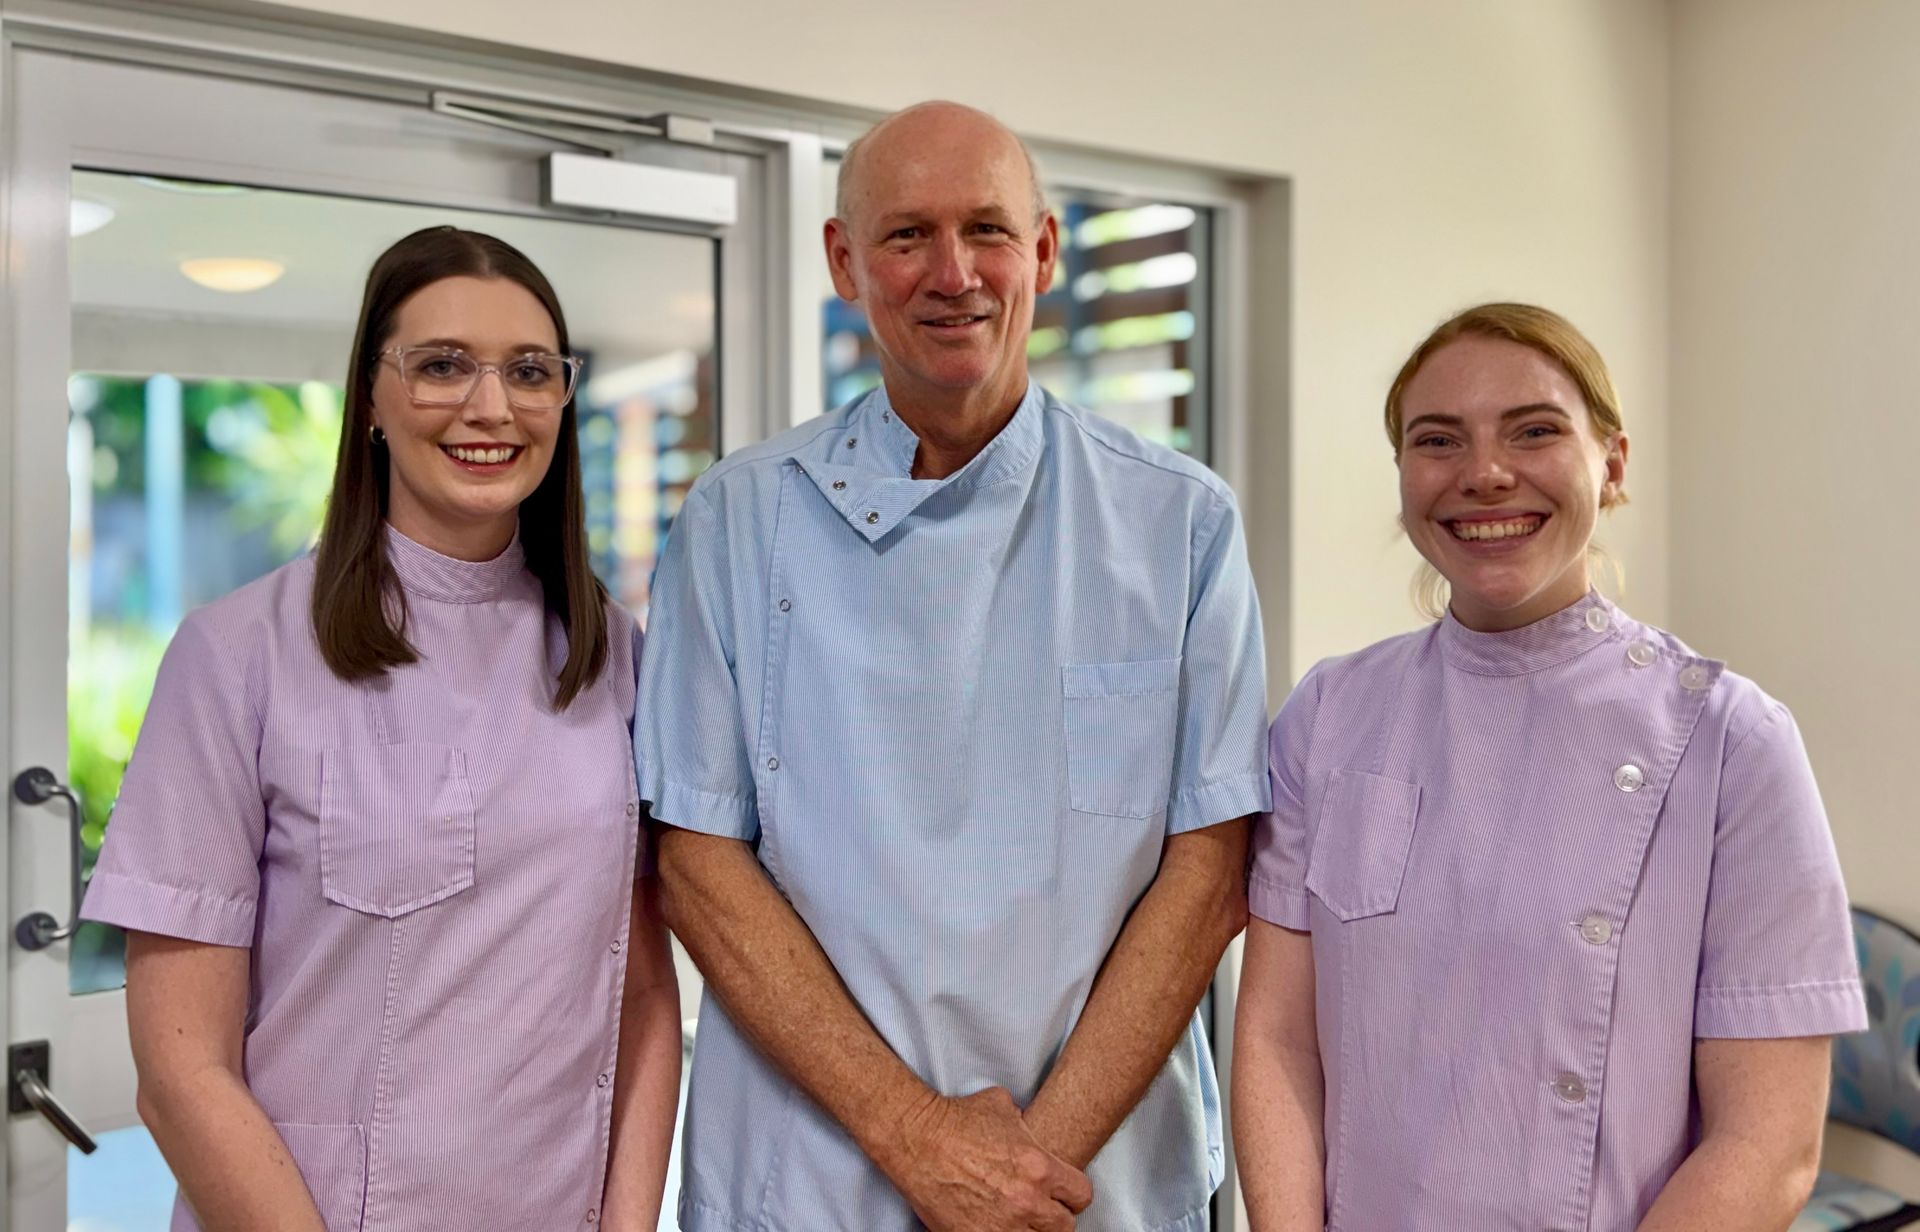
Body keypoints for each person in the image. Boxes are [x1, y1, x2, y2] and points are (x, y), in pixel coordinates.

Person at [637, 101, 1268, 1232]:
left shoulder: (1176, 522)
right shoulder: (739, 518)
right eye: (905, 235)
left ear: (1044, 250)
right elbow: (694, 862)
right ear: (843, 260)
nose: (953, 272)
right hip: (814, 1174)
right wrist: (916, 1136)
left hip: (1088, 1184)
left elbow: (1209, 869)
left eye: (986, 229)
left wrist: (1019, 1171)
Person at [81, 226, 680, 1232]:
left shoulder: (612, 657)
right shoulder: (236, 656)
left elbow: (645, 996)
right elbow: (180, 1072)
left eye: (529, 371)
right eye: (442, 365)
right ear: (370, 395)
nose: (490, 406)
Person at [1233, 302, 1866, 1231]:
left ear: (1611, 464)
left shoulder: (1732, 743)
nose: (1484, 474)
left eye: (1534, 431)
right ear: (1404, 476)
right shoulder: (1329, 717)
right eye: (1437, 439)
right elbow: (1279, 1045)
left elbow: (1767, 1148)